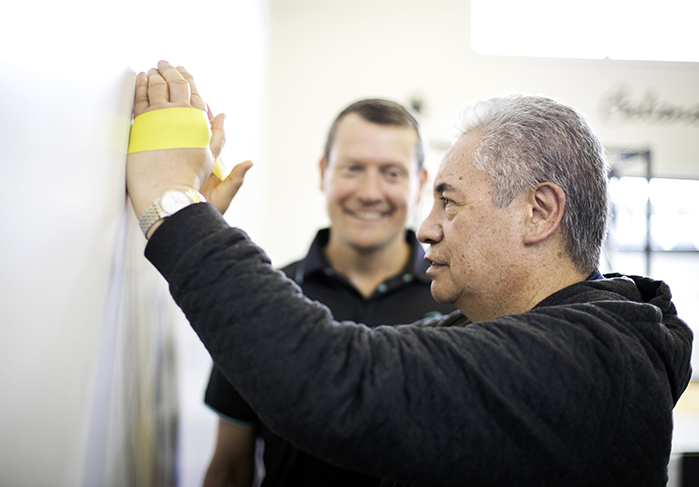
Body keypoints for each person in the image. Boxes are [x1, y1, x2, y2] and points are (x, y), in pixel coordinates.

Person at [126, 62, 693, 486]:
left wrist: (174, 206)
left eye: (449, 201)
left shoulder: (591, 360)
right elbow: (328, 361)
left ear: (539, 212)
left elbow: (334, 381)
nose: (426, 227)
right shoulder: (496, 330)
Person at [201, 99, 459, 487]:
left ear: (420, 183)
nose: (370, 193)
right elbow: (229, 470)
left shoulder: (461, 302)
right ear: (324, 173)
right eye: (353, 168)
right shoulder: (263, 297)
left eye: (391, 173)